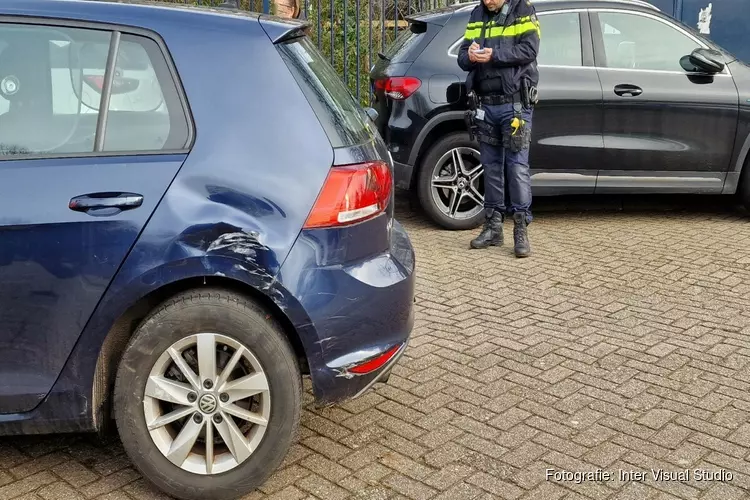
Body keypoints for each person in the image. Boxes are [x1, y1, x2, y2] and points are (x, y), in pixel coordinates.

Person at [457, 0, 540, 257]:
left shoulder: (523, 10)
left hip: (514, 104)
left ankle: (520, 230)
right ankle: (493, 228)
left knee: (516, 167)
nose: (487, 1)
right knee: (491, 166)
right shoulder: (477, 14)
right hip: (485, 105)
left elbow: (529, 50)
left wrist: (494, 55)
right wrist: (470, 57)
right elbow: (461, 56)